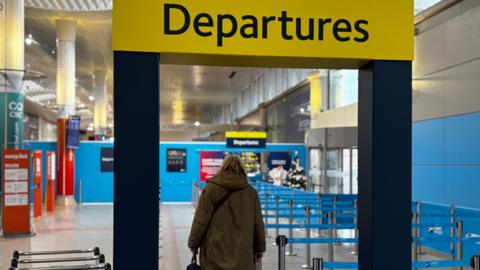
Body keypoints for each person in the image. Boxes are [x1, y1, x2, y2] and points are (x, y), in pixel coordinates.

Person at [188, 155, 266, 270]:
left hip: (214, 252)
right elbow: (258, 224)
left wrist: (193, 243)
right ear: (241, 169)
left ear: (222, 168)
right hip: (242, 255)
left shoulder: (210, 190)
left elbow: (200, 220)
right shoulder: (251, 193)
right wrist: (259, 248)